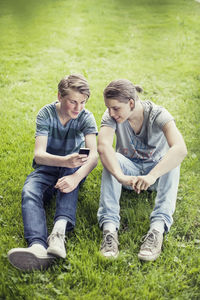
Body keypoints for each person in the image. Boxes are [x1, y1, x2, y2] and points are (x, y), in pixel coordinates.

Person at [8, 74, 98, 271]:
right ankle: (38, 246)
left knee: (68, 183)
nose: (78, 107)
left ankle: (58, 234)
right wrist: (64, 159)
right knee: (30, 191)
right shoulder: (46, 114)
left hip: (73, 168)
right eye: (73, 102)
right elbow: (39, 156)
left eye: (82, 102)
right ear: (59, 96)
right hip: (48, 166)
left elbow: (93, 156)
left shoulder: (86, 117)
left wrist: (75, 177)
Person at [97, 79, 187, 261]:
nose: (111, 113)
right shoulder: (111, 117)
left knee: (173, 158)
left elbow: (180, 149)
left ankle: (157, 229)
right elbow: (103, 147)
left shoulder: (158, 114)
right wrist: (120, 176)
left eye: (115, 108)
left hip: (156, 176)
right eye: (108, 108)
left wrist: (152, 175)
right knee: (110, 157)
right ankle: (109, 230)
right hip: (129, 175)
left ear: (131, 103)